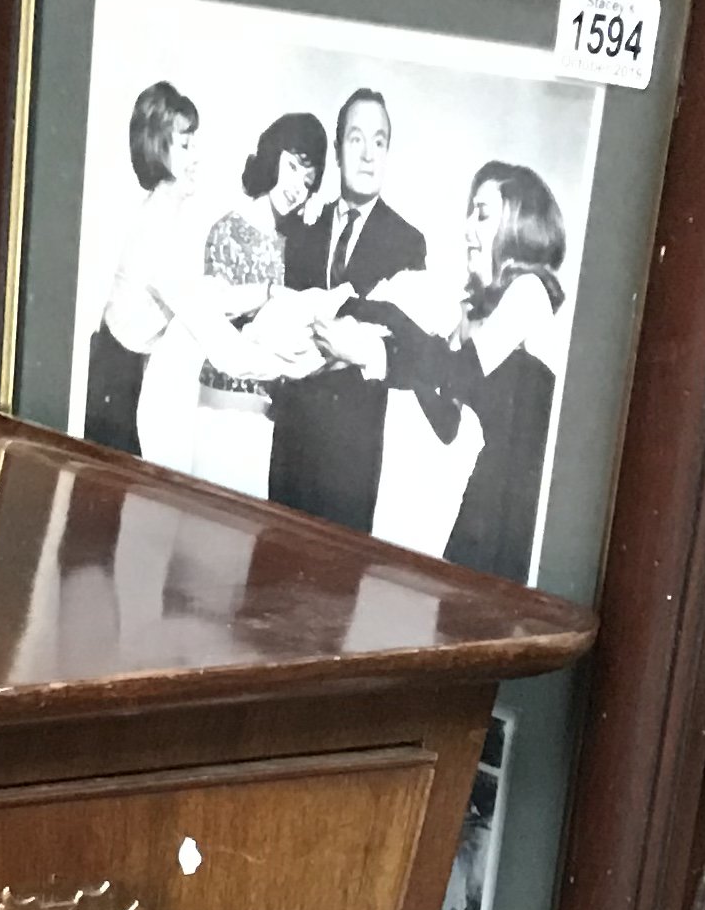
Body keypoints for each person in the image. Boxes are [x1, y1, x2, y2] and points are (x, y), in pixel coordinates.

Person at [327, 160, 570, 578]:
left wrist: (393, 320)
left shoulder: (532, 293)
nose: (467, 228)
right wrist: (381, 353)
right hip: (485, 499)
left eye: (482, 213)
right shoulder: (484, 312)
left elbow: (460, 374)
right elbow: (448, 424)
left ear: (517, 224)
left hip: (524, 509)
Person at [146, 110, 339, 489]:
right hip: (220, 408)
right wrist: (267, 298)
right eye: (292, 167)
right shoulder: (228, 230)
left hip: (270, 419)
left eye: (309, 178)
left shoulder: (300, 242)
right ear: (272, 157)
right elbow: (214, 318)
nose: (298, 186)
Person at [269, 89, 430, 526]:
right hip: (289, 442)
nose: (368, 155)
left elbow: (402, 348)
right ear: (338, 152)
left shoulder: (407, 242)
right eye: (356, 139)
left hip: (350, 462)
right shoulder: (303, 228)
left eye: (379, 142)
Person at [85, 82, 219, 453]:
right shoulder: (158, 222)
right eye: (186, 145)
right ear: (159, 147)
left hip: (123, 375)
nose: (197, 157)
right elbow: (203, 319)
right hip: (112, 379)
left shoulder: (168, 214)